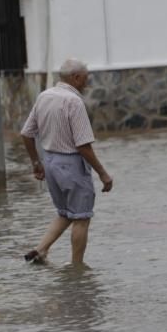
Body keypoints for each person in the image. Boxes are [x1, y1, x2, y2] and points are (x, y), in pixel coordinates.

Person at [21, 59, 113, 265]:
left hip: (50, 162)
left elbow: (26, 133)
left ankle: (39, 250)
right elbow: (83, 146)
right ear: (76, 78)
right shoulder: (74, 101)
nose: (87, 84)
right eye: (85, 79)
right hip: (71, 165)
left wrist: (36, 163)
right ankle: (77, 268)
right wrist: (103, 173)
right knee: (81, 217)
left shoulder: (44, 96)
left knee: (65, 212)